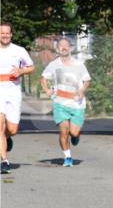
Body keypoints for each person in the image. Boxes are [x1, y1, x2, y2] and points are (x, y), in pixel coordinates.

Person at [40, 37, 91, 167]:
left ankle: (76, 135)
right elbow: (43, 78)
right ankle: (68, 157)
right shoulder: (54, 64)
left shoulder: (78, 64)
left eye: (66, 46)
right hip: (60, 103)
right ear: (58, 49)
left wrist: (82, 90)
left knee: (73, 132)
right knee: (63, 131)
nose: (63, 48)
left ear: (70, 48)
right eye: (61, 46)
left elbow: (87, 80)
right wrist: (47, 90)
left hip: (77, 104)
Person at [0, 22, 35, 174]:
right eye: (2, 33)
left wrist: (21, 71)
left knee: (12, 129)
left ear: (11, 34)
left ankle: (7, 139)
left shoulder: (19, 50)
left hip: (13, 91)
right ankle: (4, 161)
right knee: (0, 126)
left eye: (7, 33)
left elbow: (32, 67)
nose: (5, 35)